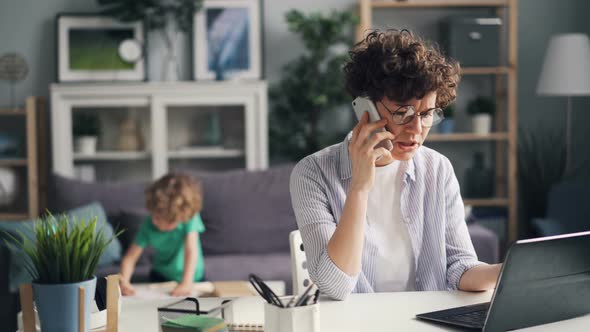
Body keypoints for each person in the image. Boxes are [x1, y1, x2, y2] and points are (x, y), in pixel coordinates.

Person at [290, 29, 502, 301]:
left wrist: (504, 273)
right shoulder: (313, 173)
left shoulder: (438, 169)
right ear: (365, 107)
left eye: (426, 114)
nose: (416, 129)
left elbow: (459, 266)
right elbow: (335, 286)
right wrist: (360, 187)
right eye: (403, 112)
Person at [119, 173, 206, 296]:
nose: (155, 221)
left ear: (180, 218)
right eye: (154, 215)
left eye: (160, 218)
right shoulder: (149, 224)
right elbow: (129, 259)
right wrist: (124, 282)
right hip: (161, 277)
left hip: (193, 278)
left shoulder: (189, 218)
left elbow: (191, 250)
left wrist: (186, 283)